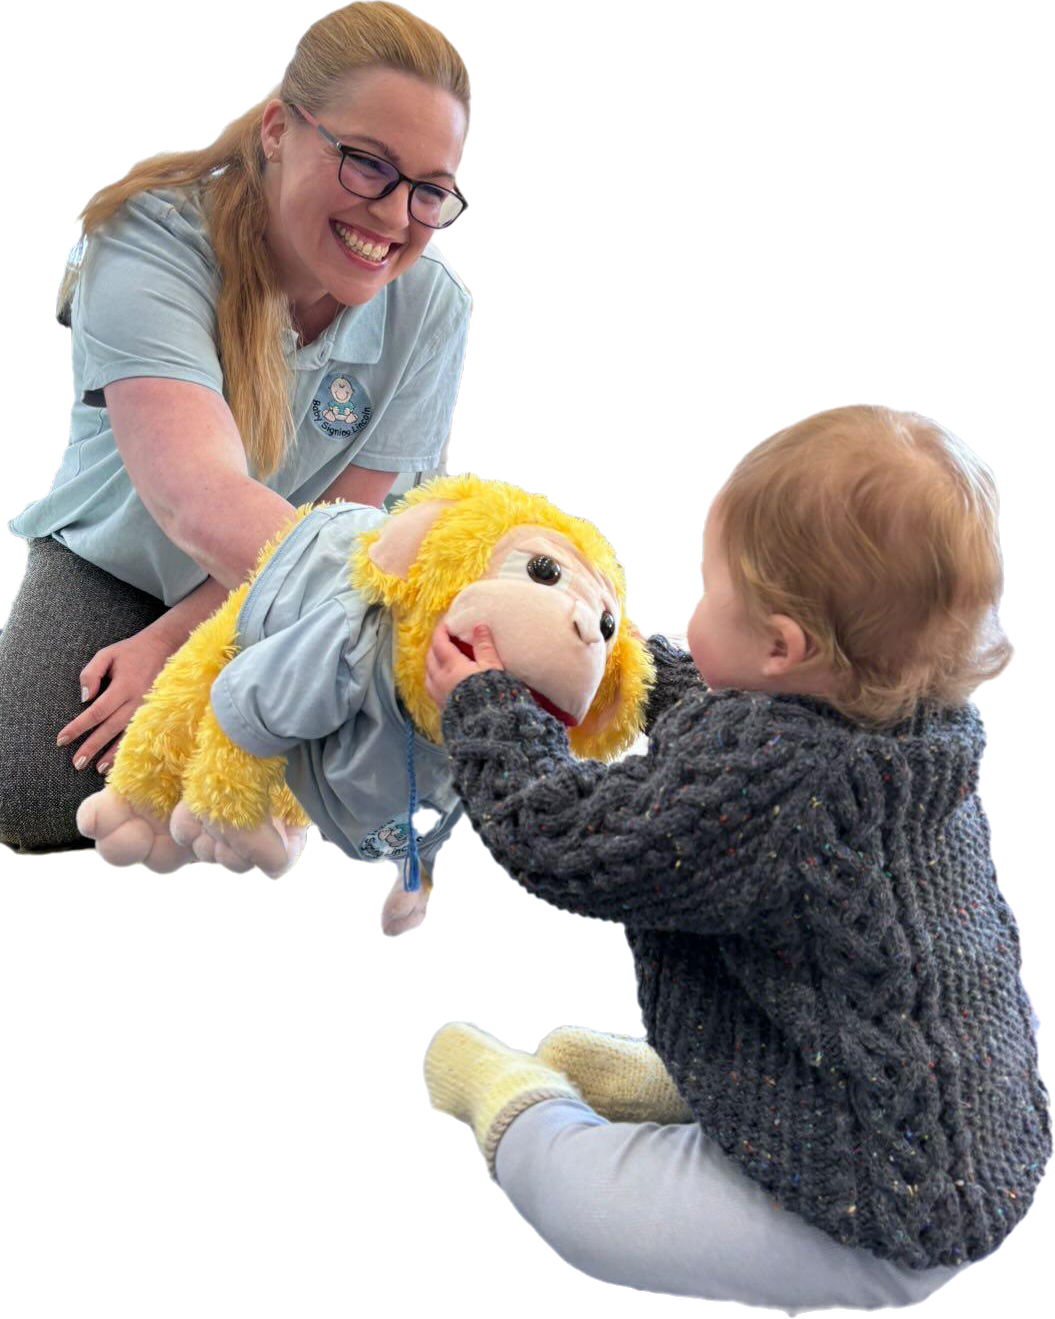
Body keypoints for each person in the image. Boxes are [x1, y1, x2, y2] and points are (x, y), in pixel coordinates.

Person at [419, 404, 1048, 1307]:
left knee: (589, 1212)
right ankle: (704, 1085)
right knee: (822, 1003)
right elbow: (734, 715)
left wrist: (486, 707)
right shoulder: (918, 718)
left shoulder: (785, 785)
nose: (692, 612)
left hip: (880, 1219)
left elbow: (566, 839)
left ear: (783, 647)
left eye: (707, 591)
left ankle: (517, 1102)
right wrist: (627, 668)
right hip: (977, 1123)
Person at [0, 2, 472, 855]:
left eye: (429, 191)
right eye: (368, 164)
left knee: (354, 798)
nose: (395, 215)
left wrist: (178, 641)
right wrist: (391, 627)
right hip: (125, 560)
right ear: (278, 129)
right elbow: (197, 499)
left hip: (288, 583)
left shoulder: (436, 306)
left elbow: (344, 514)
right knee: (33, 791)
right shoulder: (146, 238)